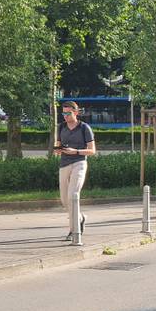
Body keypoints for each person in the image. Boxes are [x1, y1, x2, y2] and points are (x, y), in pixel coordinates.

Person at [56, 101, 96, 240]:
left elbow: (92, 151)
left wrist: (76, 151)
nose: (65, 116)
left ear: (76, 112)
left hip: (79, 163)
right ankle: (80, 218)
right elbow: (58, 145)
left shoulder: (85, 128)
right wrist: (58, 150)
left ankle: (74, 230)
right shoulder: (61, 127)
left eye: (68, 113)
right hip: (64, 164)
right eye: (63, 113)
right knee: (64, 199)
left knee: (72, 196)